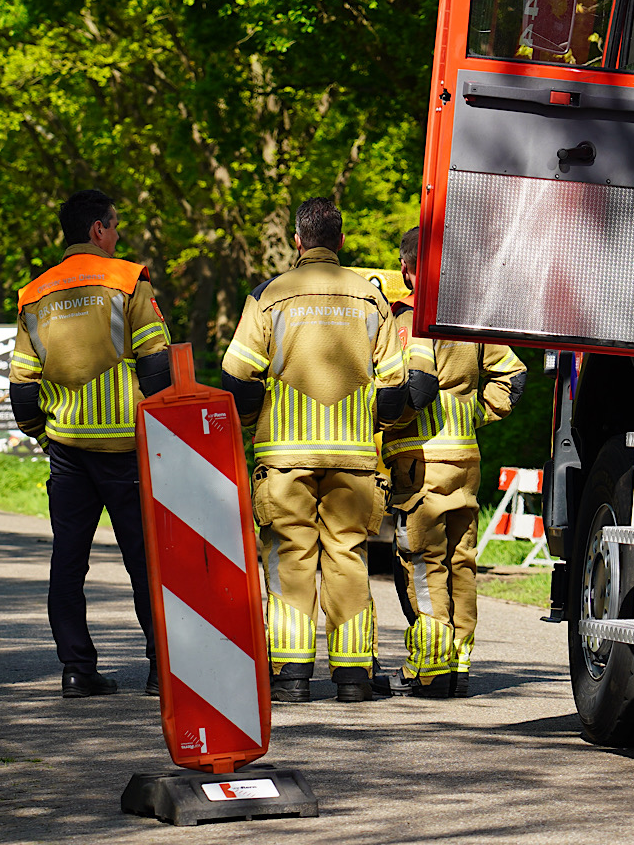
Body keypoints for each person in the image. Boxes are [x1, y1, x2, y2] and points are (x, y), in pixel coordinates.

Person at [219, 197, 408, 703]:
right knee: (348, 558)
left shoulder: (269, 296)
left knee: (289, 560)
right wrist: (374, 424)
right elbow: (394, 388)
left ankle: (293, 677)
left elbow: (237, 378)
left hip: (283, 458)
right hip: (351, 456)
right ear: (341, 241)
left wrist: (255, 418)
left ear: (297, 241)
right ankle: (352, 679)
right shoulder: (372, 299)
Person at [9, 189, 172, 698]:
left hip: (68, 451)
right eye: (115, 224)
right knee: (145, 562)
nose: (118, 233)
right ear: (99, 229)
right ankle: (158, 669)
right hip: (127, 448)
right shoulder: (127, 279)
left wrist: (45, 435)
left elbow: (22, 387)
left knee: (68, 562)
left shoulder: (34, 294)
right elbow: (156, 364)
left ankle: (77, 670)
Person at [385, 225, 525, 698]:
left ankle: (430, 670)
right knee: (462, 561)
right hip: (466, 461)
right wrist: (471, 415)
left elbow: (401, 392)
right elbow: (514, 377)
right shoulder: (469, 317)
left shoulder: (404, 318)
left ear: (407, 268)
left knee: (423, 563)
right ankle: (461, 663)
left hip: (420, 463)